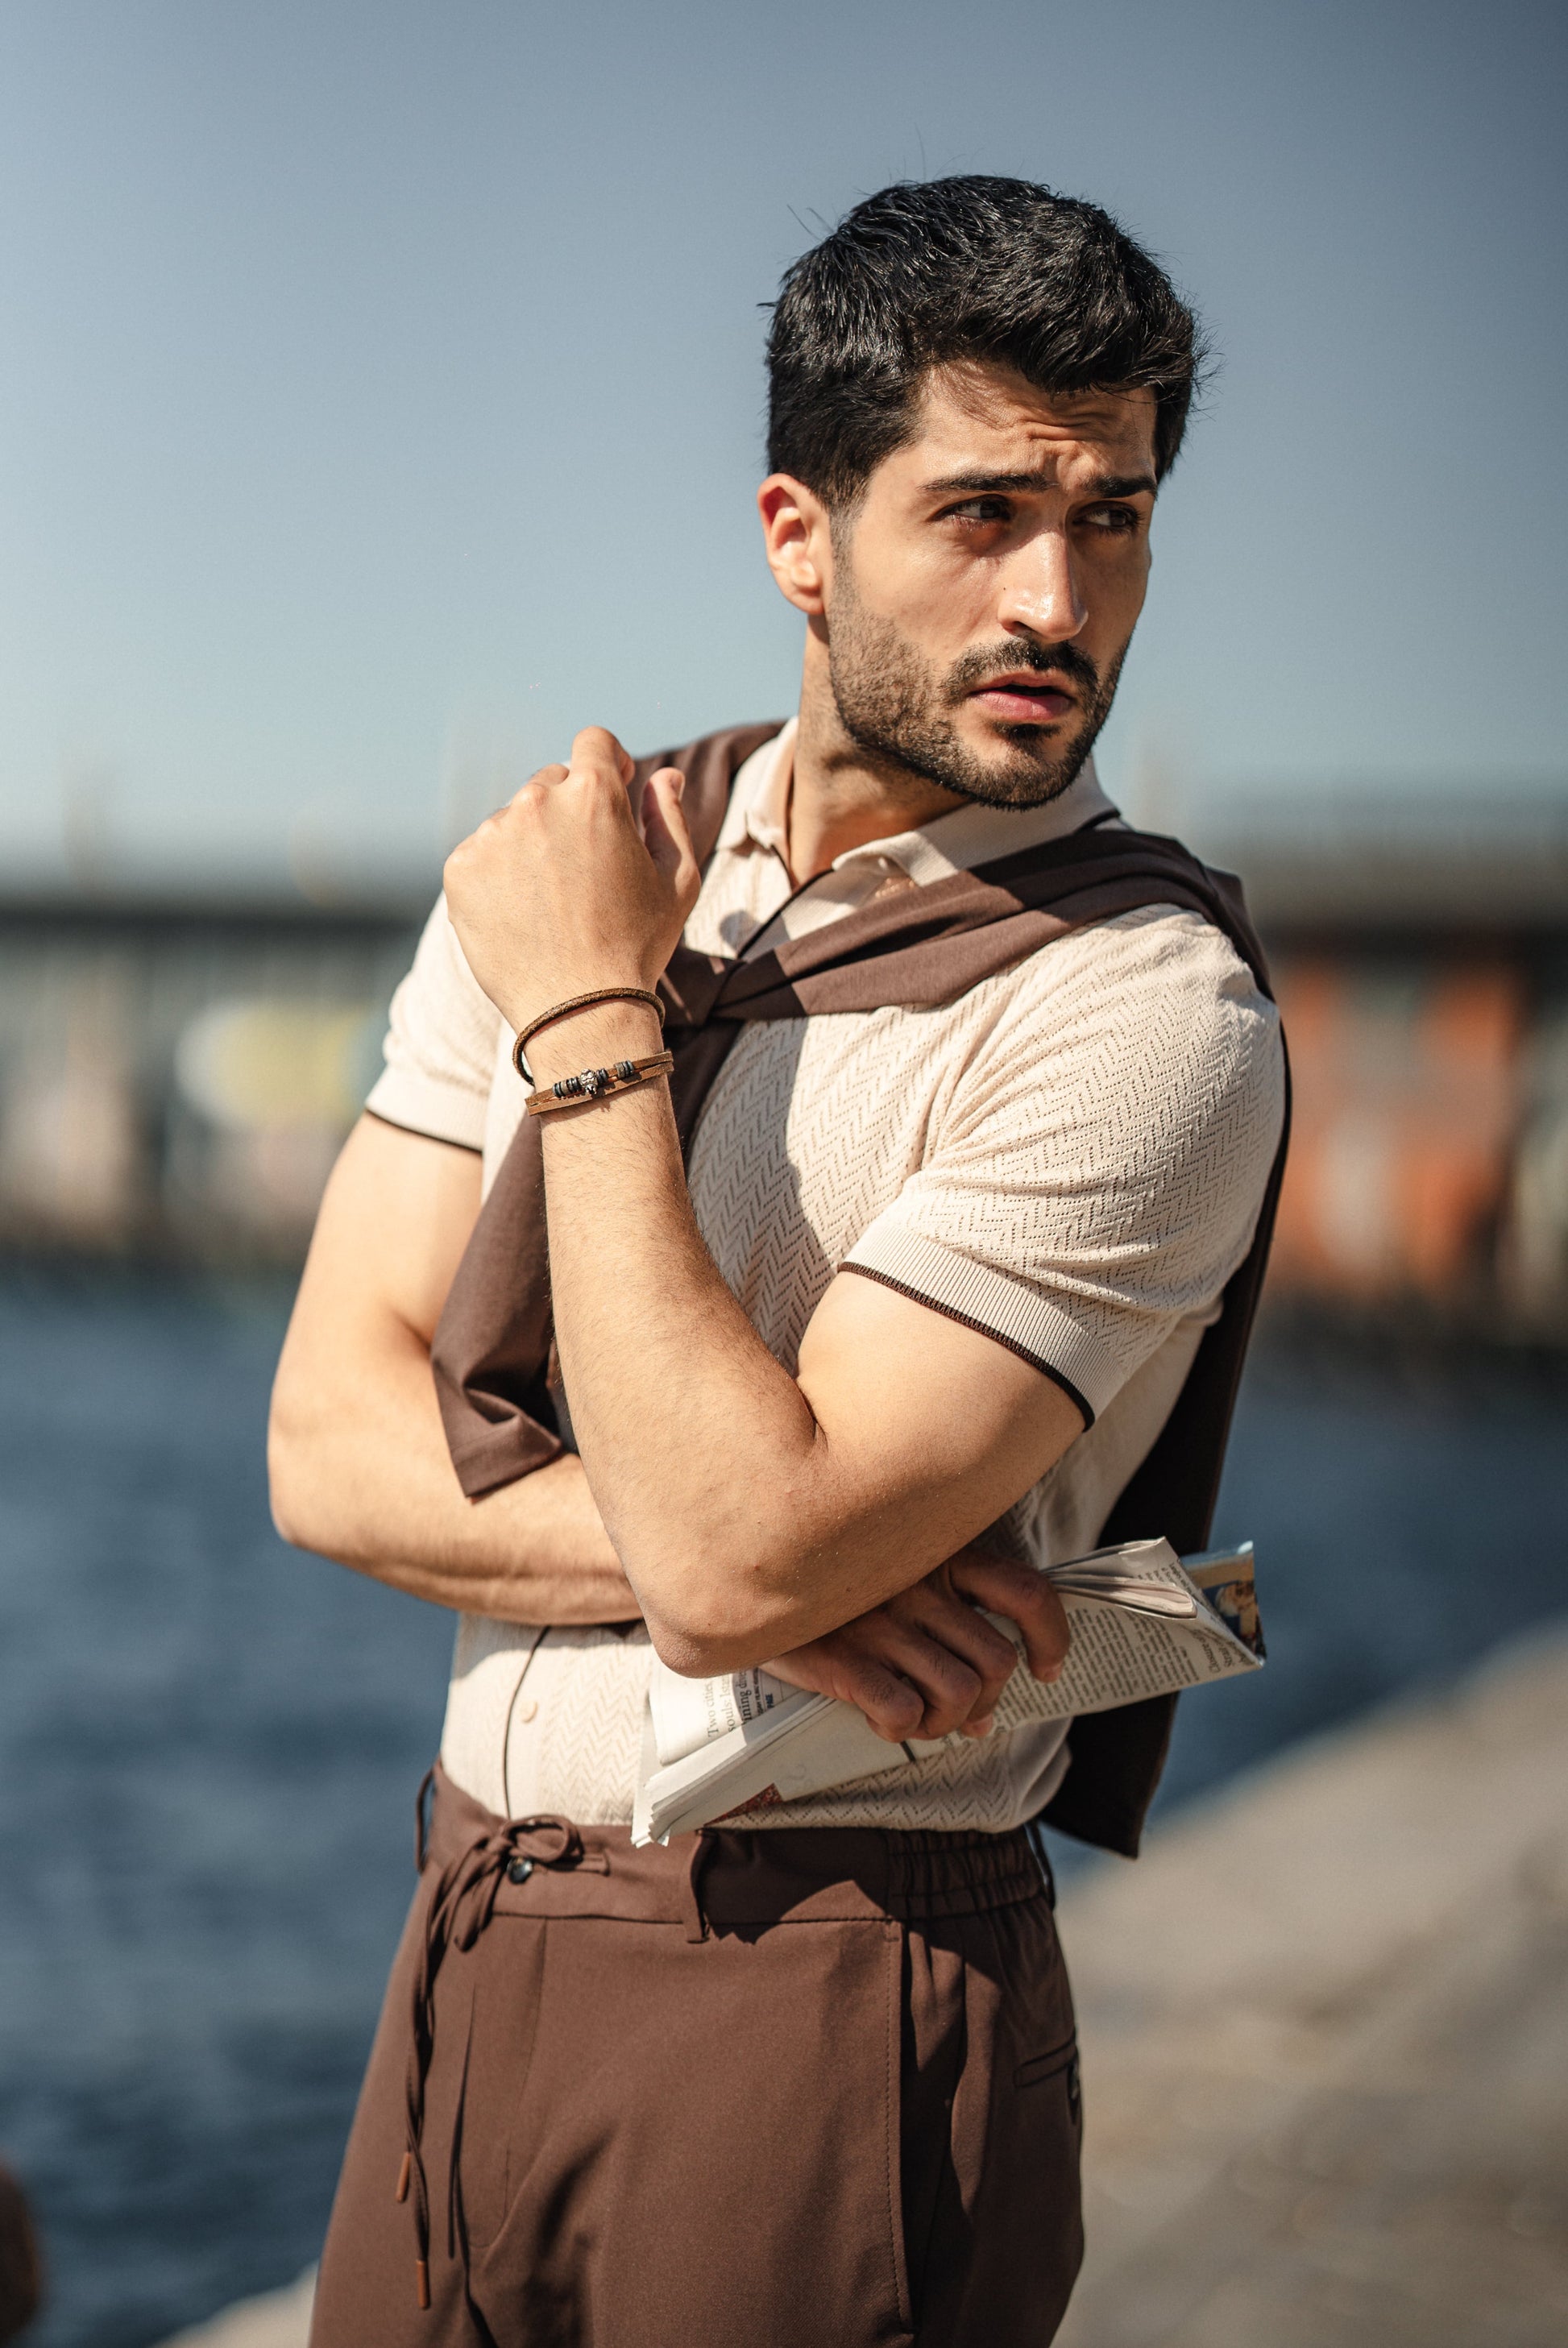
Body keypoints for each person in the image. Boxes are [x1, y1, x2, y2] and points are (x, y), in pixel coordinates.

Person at [270, 176, 1286, 2347]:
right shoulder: (583, 858)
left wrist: (586, 1027)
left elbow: (740, 1560)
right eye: (981, 510)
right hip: (467, 1924)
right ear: (795, 534)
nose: (1057, 594)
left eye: (1110, 519)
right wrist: (774, 1559)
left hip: (829, 1975)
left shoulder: (1137, 1010)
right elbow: (321, 1448)